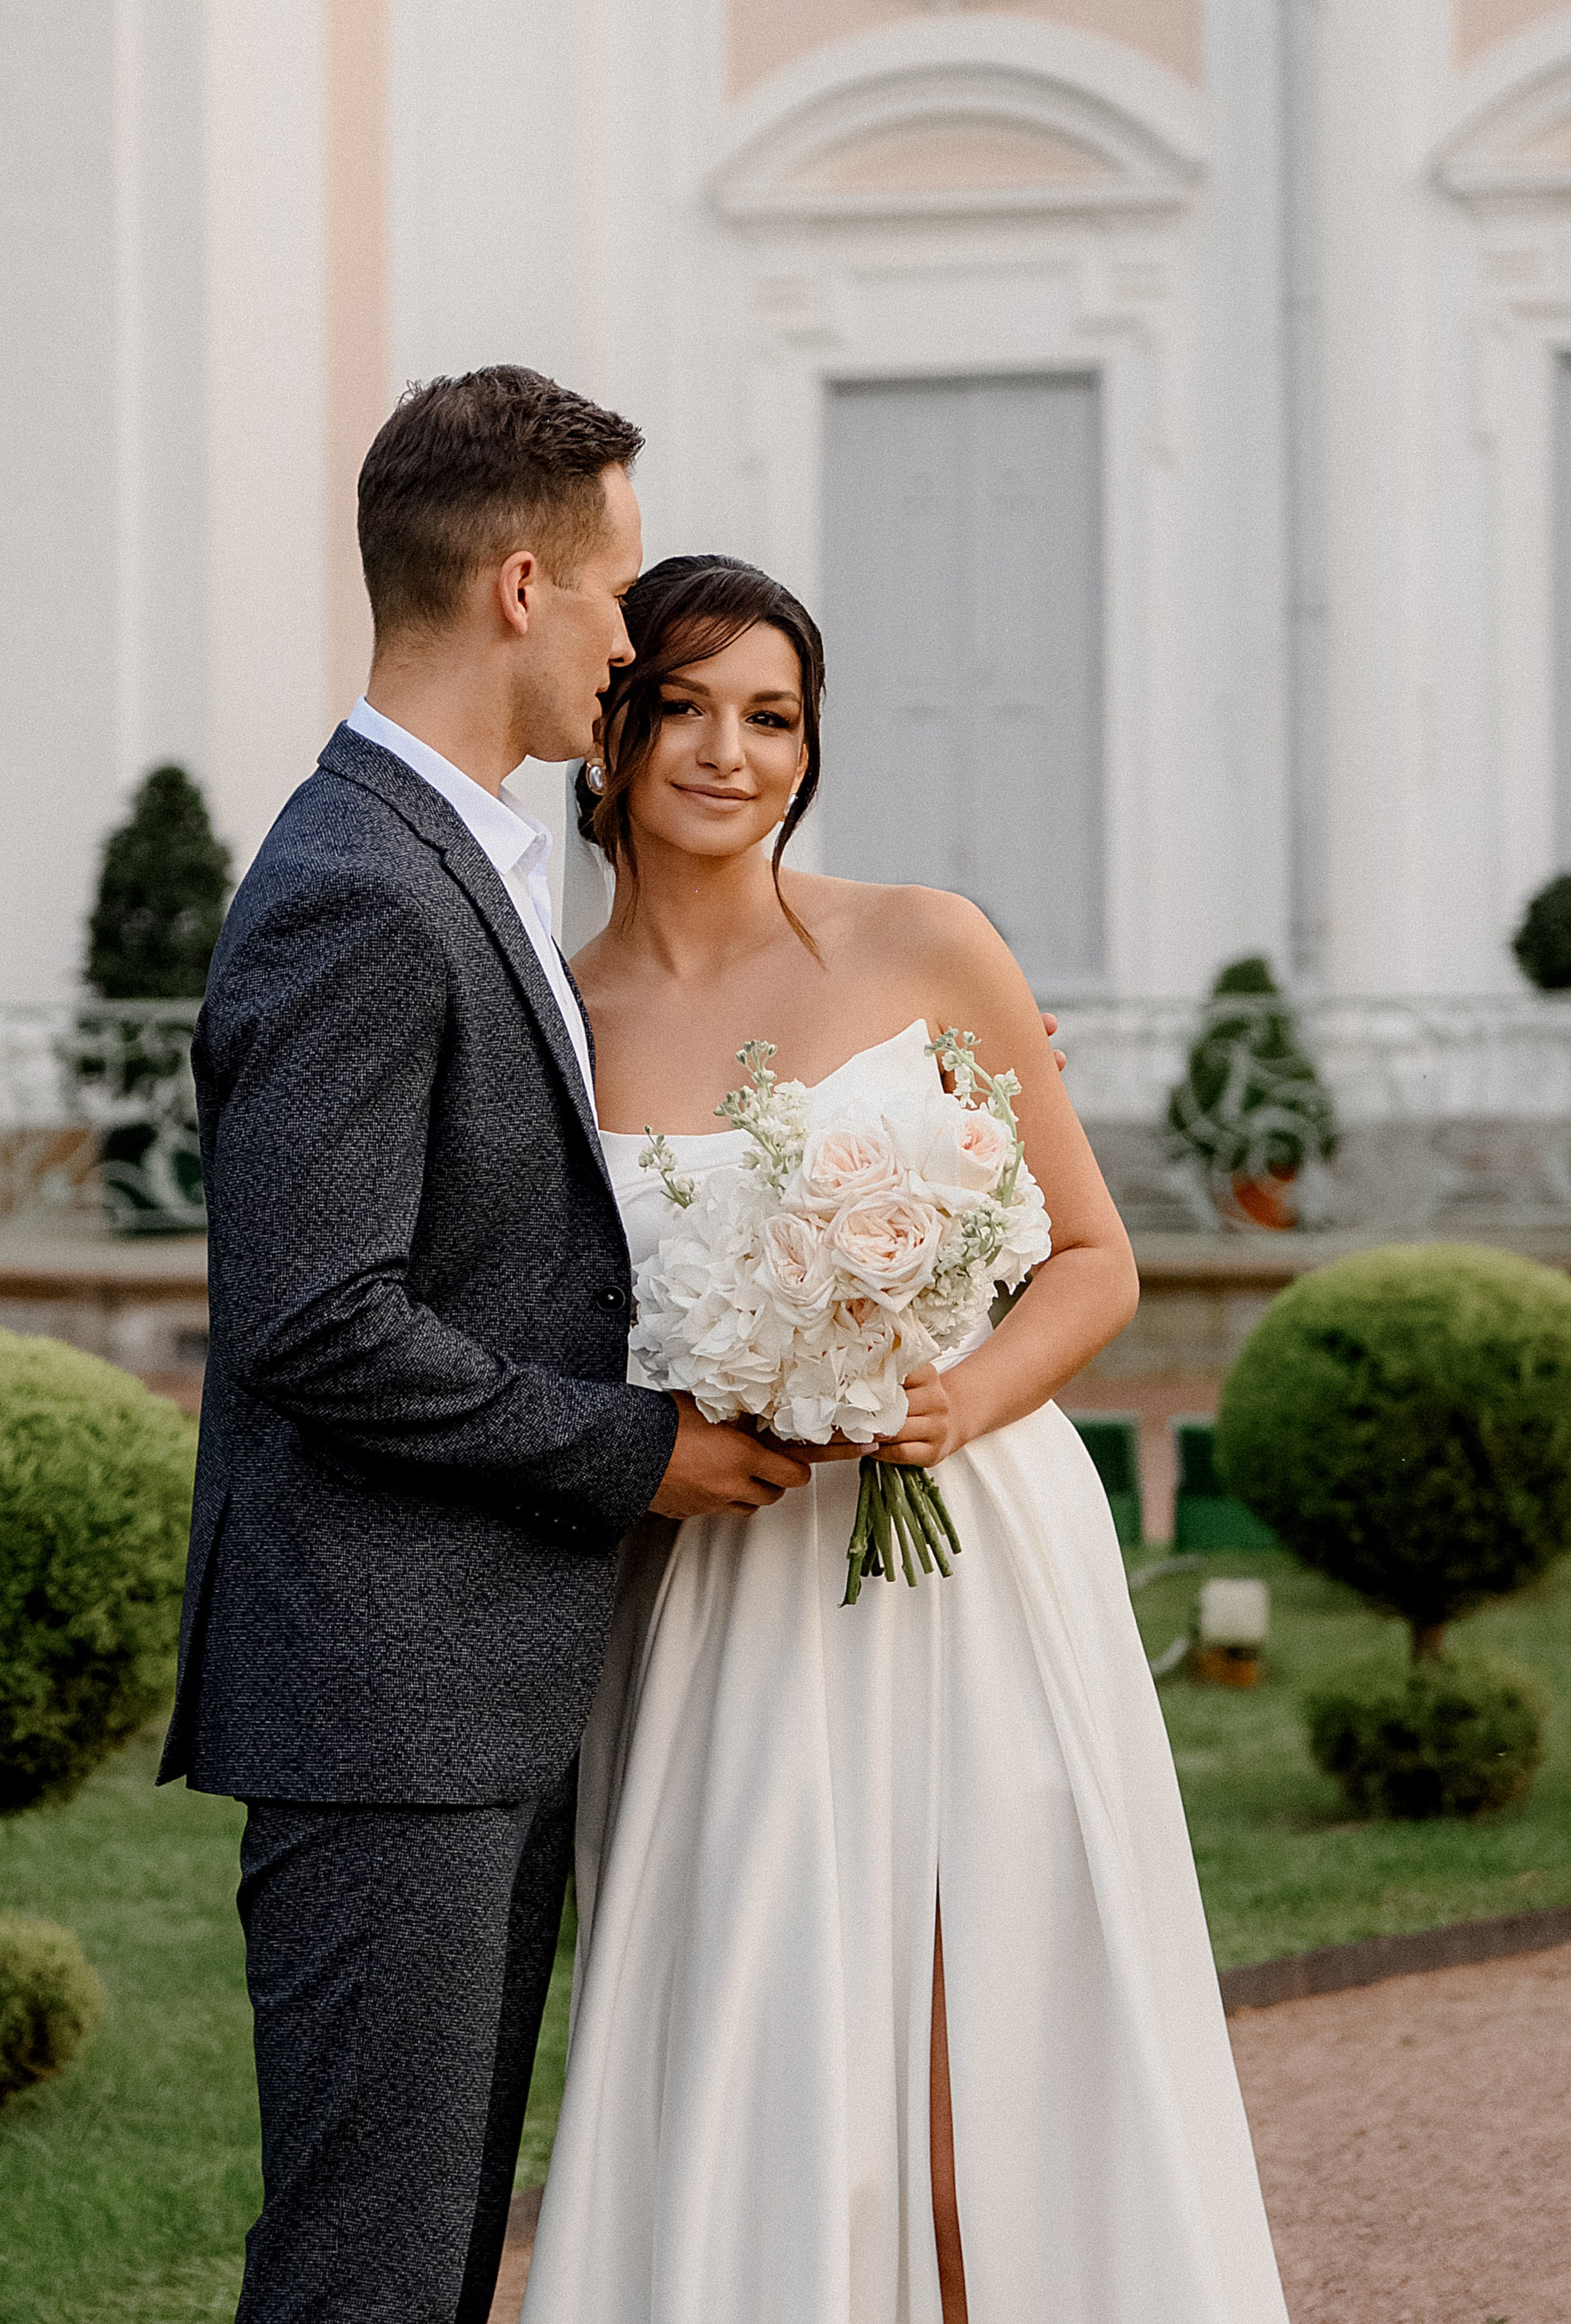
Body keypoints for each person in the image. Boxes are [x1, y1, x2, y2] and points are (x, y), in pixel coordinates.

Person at [521, 555, 1290, 2324]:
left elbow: (1092, 1264)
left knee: (981, 2125)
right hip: (726, 1595)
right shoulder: (552, 1024)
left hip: (975, 1566)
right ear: (609, 730)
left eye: (772, 717)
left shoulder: (928, 941)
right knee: (784, 2104)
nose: (730, 753)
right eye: (687, 707)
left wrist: (955, 1398)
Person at [158, 377, 811, 2324]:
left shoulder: (459, 850)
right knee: (373, 2266)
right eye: (617, 591)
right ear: (525, 584)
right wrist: (642, 1449)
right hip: (388, 1709)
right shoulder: (358, 883)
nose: (633, 639)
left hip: (466, 1693)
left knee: (430, 2256)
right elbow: (316, 1318)